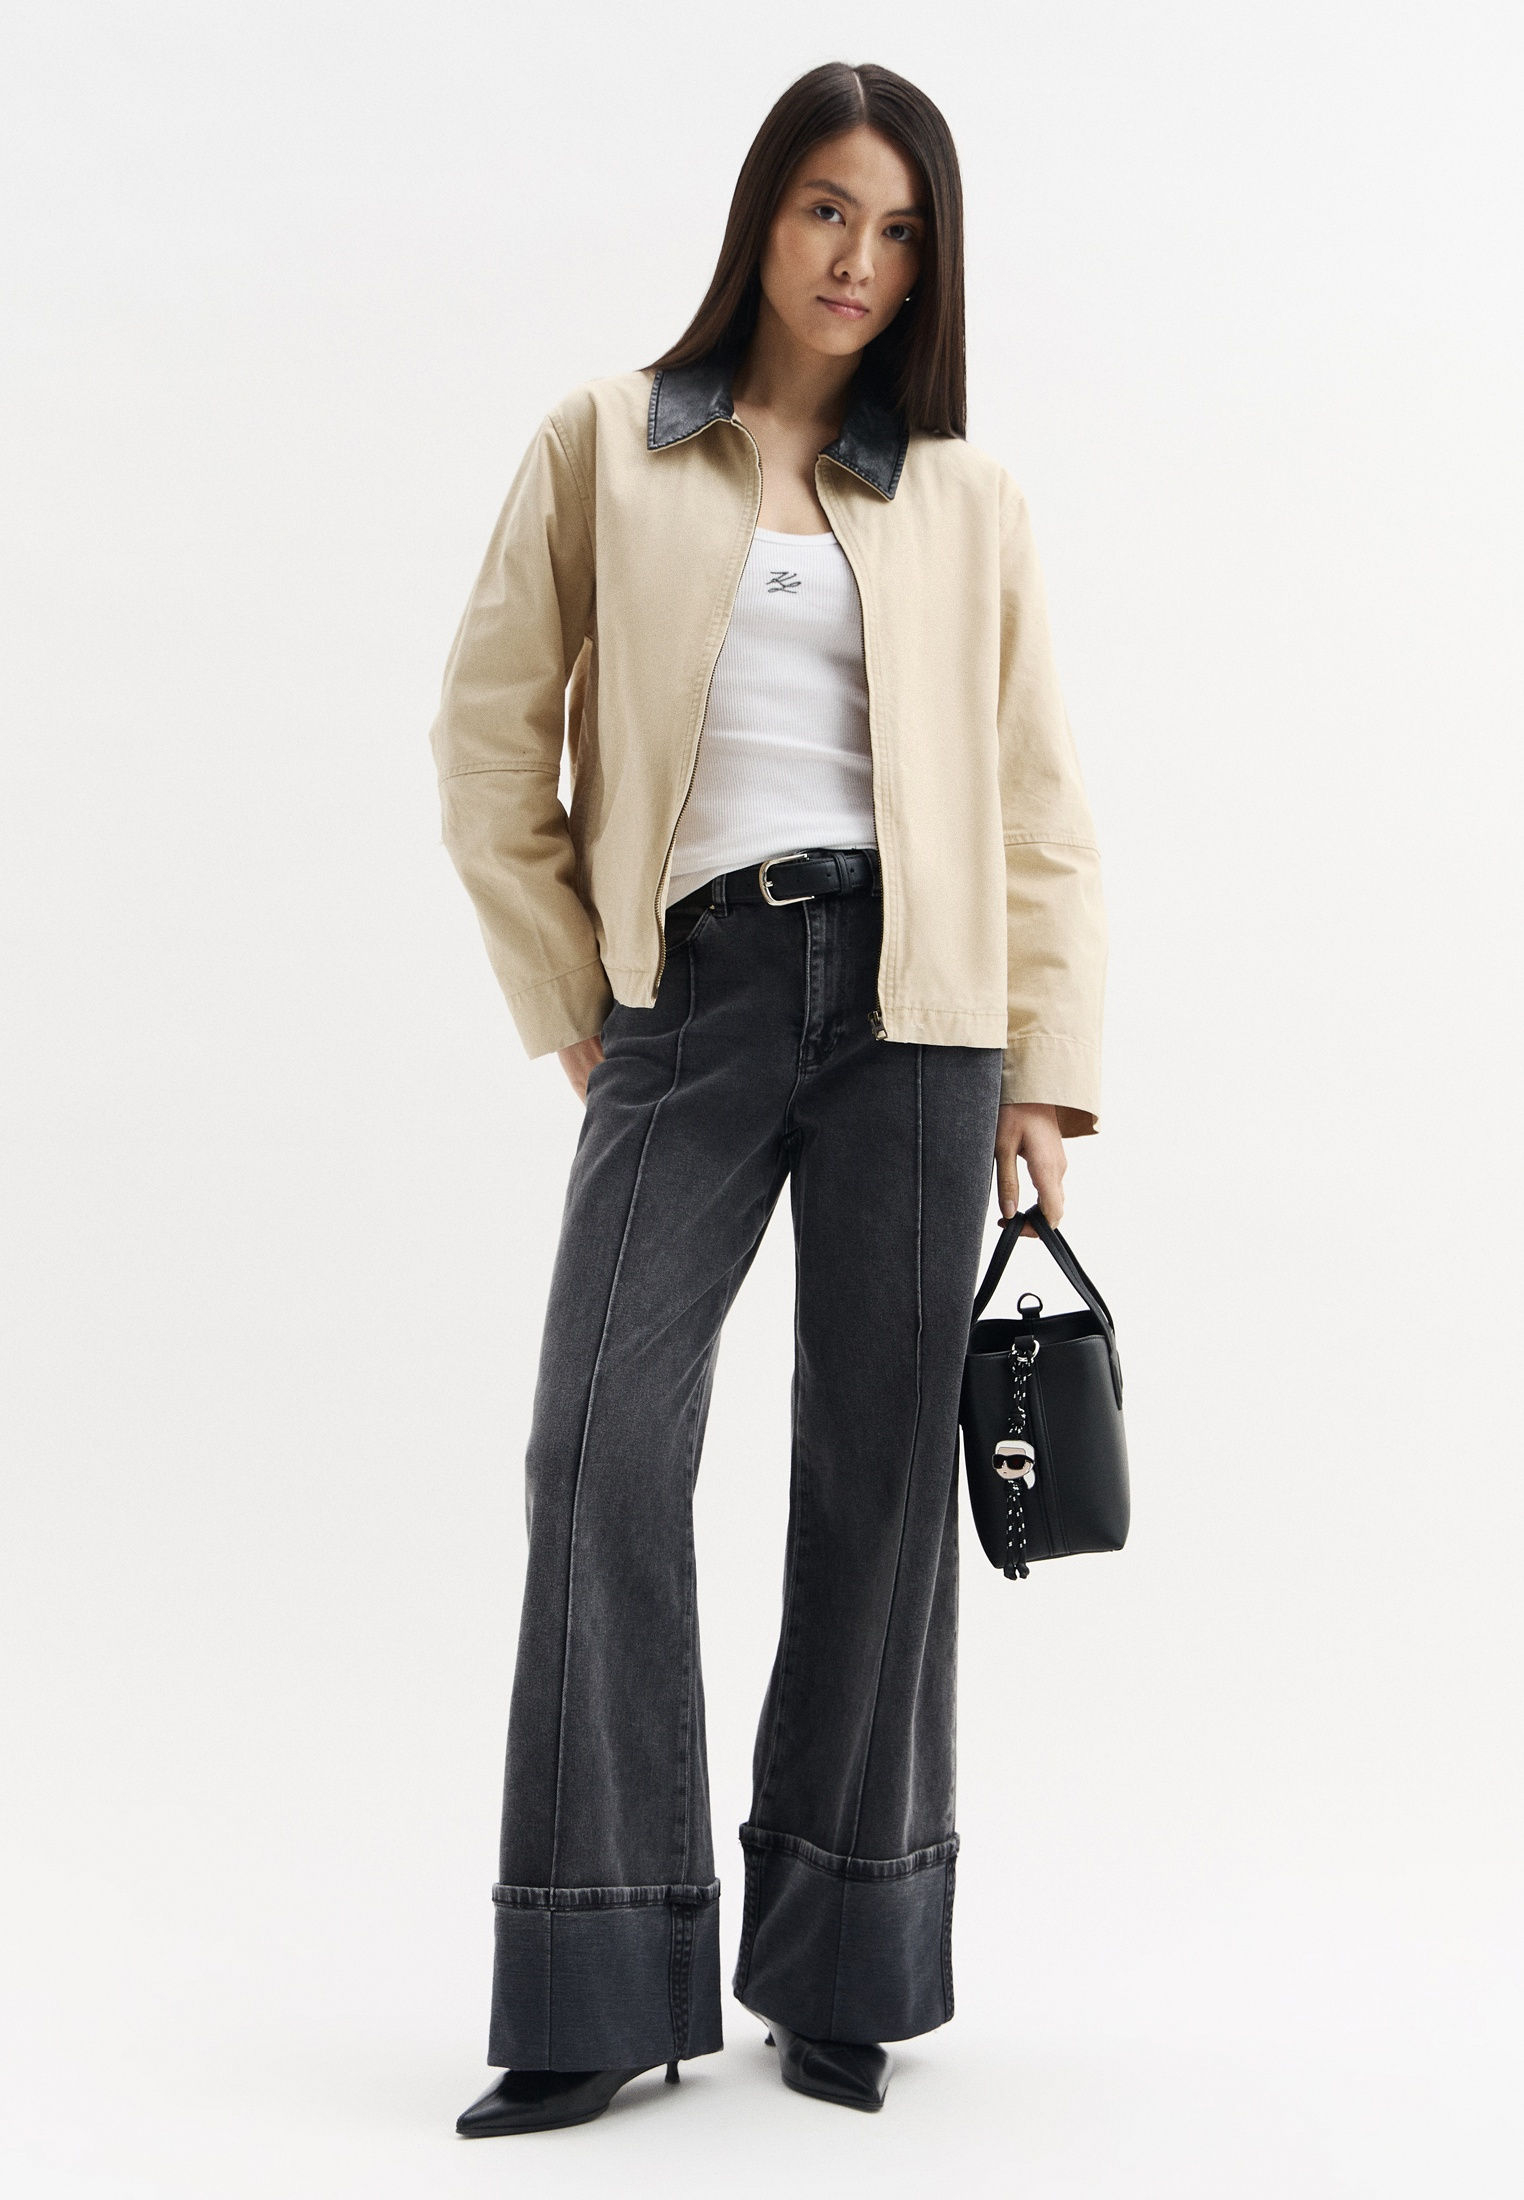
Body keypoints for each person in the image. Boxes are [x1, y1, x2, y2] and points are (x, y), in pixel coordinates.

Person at [426, 58, 1107, 2135]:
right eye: (827, 210)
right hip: (693, 995)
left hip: (924, 1014)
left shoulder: (968, 500)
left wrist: (1046, 1072)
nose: (856, 260)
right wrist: (573, 993)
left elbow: (1039, 806)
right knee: (596, 1449)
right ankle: (597, 1968)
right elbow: (485, 737)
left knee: (884, 1482)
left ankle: (844, 1963)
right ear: (763, 216)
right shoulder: (607, 444)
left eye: (897, 231)